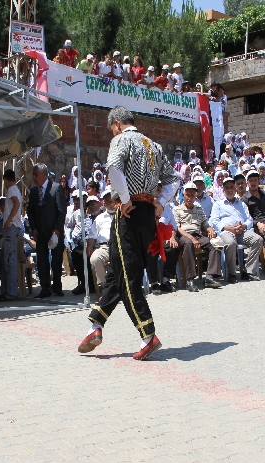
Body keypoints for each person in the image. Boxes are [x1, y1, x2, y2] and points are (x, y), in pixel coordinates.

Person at [77, 106, 179, 360]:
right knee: (118, 272)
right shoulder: (153, 145)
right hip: (146, 214)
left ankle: (148, 334)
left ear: (118, 124)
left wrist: (124, 198)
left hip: (129, 212)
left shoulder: (121, 139)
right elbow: (174, 179)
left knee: (128, 276)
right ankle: (95, 327)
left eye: (112, 128)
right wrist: (160, 202)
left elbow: (113, 166)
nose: (112, 132)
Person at [210, 176, 262, 283]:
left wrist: (243, 226)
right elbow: (214, 222)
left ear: (235, 189)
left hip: (241, 230)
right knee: (230, 243)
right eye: (227, 188)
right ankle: (232, 273)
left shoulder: (242, 204)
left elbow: (249, 220)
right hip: (226, 231)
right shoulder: (218, 204)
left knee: (258, 240)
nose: (229, 190)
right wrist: (229, 228)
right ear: (223, 190)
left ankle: (248, 271)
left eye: (231, 187)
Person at [173, 181, 223, 292]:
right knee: (189, 243)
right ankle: (190, 280)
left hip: (197, 235)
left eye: (192, 195)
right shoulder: (177, 210)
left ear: (196, 196)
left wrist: (209, 229)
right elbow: (178, 228)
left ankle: (210, 276)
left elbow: (204, 223)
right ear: (183, 195)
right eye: (188, 195)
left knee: (215, 242)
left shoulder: (198, 209)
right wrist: (192, 238)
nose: (190, 198)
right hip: (184, 236)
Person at [27, 163, 67, 298]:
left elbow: (62, 211)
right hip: (40, 232)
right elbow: (30, 212)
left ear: (44, 174)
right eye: (33, 175)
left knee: (56, 260)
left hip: (55, 232)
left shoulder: (56, 188)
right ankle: (45, 288)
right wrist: (33, 228)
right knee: (42, 260)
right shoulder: (33, 192)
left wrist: (57, 229)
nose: (33, 177)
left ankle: (57, 287)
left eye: (35, 175)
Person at [0, 169, 23, 300]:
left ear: (5, 179)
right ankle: (6, 290)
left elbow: (16, 203)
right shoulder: (17, 190)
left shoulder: (11, 190)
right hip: (12, 228)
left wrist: (8, 220)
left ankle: (11, 292)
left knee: (9, 260)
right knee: (7, 260)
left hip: (12, 227)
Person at [90, 189, 116, 290]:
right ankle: (104, 286)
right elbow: (92, 236)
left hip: (120, 246)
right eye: (108, 201)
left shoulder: (123, 214)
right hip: (105, 247)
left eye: (112, 200)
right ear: (104, 203)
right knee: (95, 259)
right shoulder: (99, 218)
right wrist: (90, 245)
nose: (111, 204)